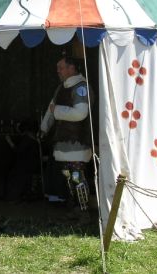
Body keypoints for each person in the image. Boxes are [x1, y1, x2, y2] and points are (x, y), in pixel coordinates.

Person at [39, 56, 93, 212]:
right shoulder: (61, 88)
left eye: (61, 68)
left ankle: (84, 211)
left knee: (77, 176)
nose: (58, 71)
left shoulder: (81, 88)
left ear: (72, 68)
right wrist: (44, 128)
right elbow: (51, 108)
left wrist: (57, 111)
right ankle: (75, 207)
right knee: (68, 176)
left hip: (78, 140)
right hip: (63, 140)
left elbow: (80, 113)